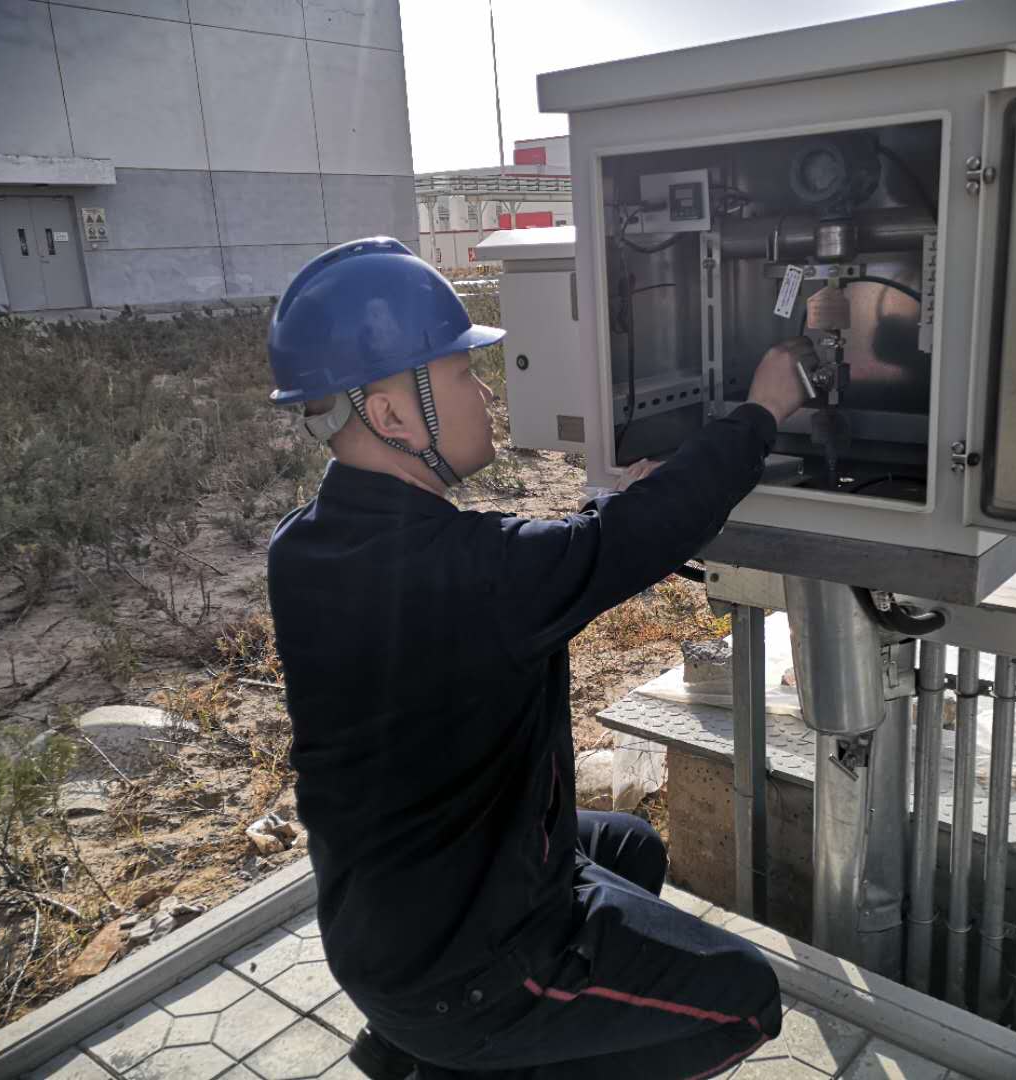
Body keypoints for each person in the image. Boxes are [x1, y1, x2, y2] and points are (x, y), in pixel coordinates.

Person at [266, 238, 813, 1080]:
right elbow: (622, 543)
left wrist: (614, 507)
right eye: (461, 374)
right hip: (464, 973)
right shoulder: (479, 574)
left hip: (379, 924)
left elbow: (546, 555)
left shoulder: (303, 547)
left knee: (629, 846)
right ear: (391, 415)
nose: (487, 393)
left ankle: (414, 1041)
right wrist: (760, 412)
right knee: (747, 1001)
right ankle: (461, 1052)